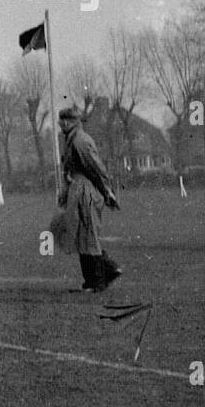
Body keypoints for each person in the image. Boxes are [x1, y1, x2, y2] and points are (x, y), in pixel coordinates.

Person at [57, 106, 122, 292]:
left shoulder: (80, 141)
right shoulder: (73, 140)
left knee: (87, 234)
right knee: (82, 234)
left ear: (68, 121)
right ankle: (95, 279)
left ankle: (101, 277)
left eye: (61, 121)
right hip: (78, 190)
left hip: (85, 191)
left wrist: (107, 191)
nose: (59, 124)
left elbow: (96, 169)